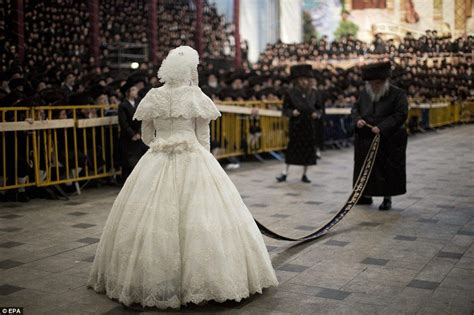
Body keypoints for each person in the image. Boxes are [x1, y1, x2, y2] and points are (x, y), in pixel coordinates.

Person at [87, 46, 278, 309]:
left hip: (157, 159)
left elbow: (145, 136)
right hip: (193, 158)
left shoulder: (153, 96)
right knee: (202, 218)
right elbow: (203, 137)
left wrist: (162, 143)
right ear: (190, 70)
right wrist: (204, 159)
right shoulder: (195, 96)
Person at [351, 61, 408, 211]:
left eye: (377, 83)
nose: (374, 87)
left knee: (386, 170)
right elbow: (355, 108)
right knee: (366, 168)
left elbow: (400, 114)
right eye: (371, 84)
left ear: (384, 82)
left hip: (388, 139)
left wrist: (381, 127)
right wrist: (358, 120)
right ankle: (366, 195)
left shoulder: (398, 94)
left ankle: (387, 198)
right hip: (366, 138)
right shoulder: (365, 93)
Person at [276, 64, 323, 183]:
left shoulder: (314, 93)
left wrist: (316, 114)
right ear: (297, 81)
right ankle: (285, 172)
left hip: (309, 125)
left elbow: (320, 109)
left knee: (308, 151)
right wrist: (292, 112)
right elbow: (285, 110)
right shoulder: (290, 93)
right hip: (296, 125)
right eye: (302, 80)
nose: (304, 82)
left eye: (306, 79)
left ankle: (304, 174)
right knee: (291, 149)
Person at [117, 80, 147, 182]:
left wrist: (139, 132)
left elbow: (141, 118)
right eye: (133, 90)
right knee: (128, 161)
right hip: (128, 136)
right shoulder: (123, 105)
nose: (136, 91)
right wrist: (132, 134)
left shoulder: (139, 102)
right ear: (127, 92)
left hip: (138, 134)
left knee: (138, 158)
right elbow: (123, 122)